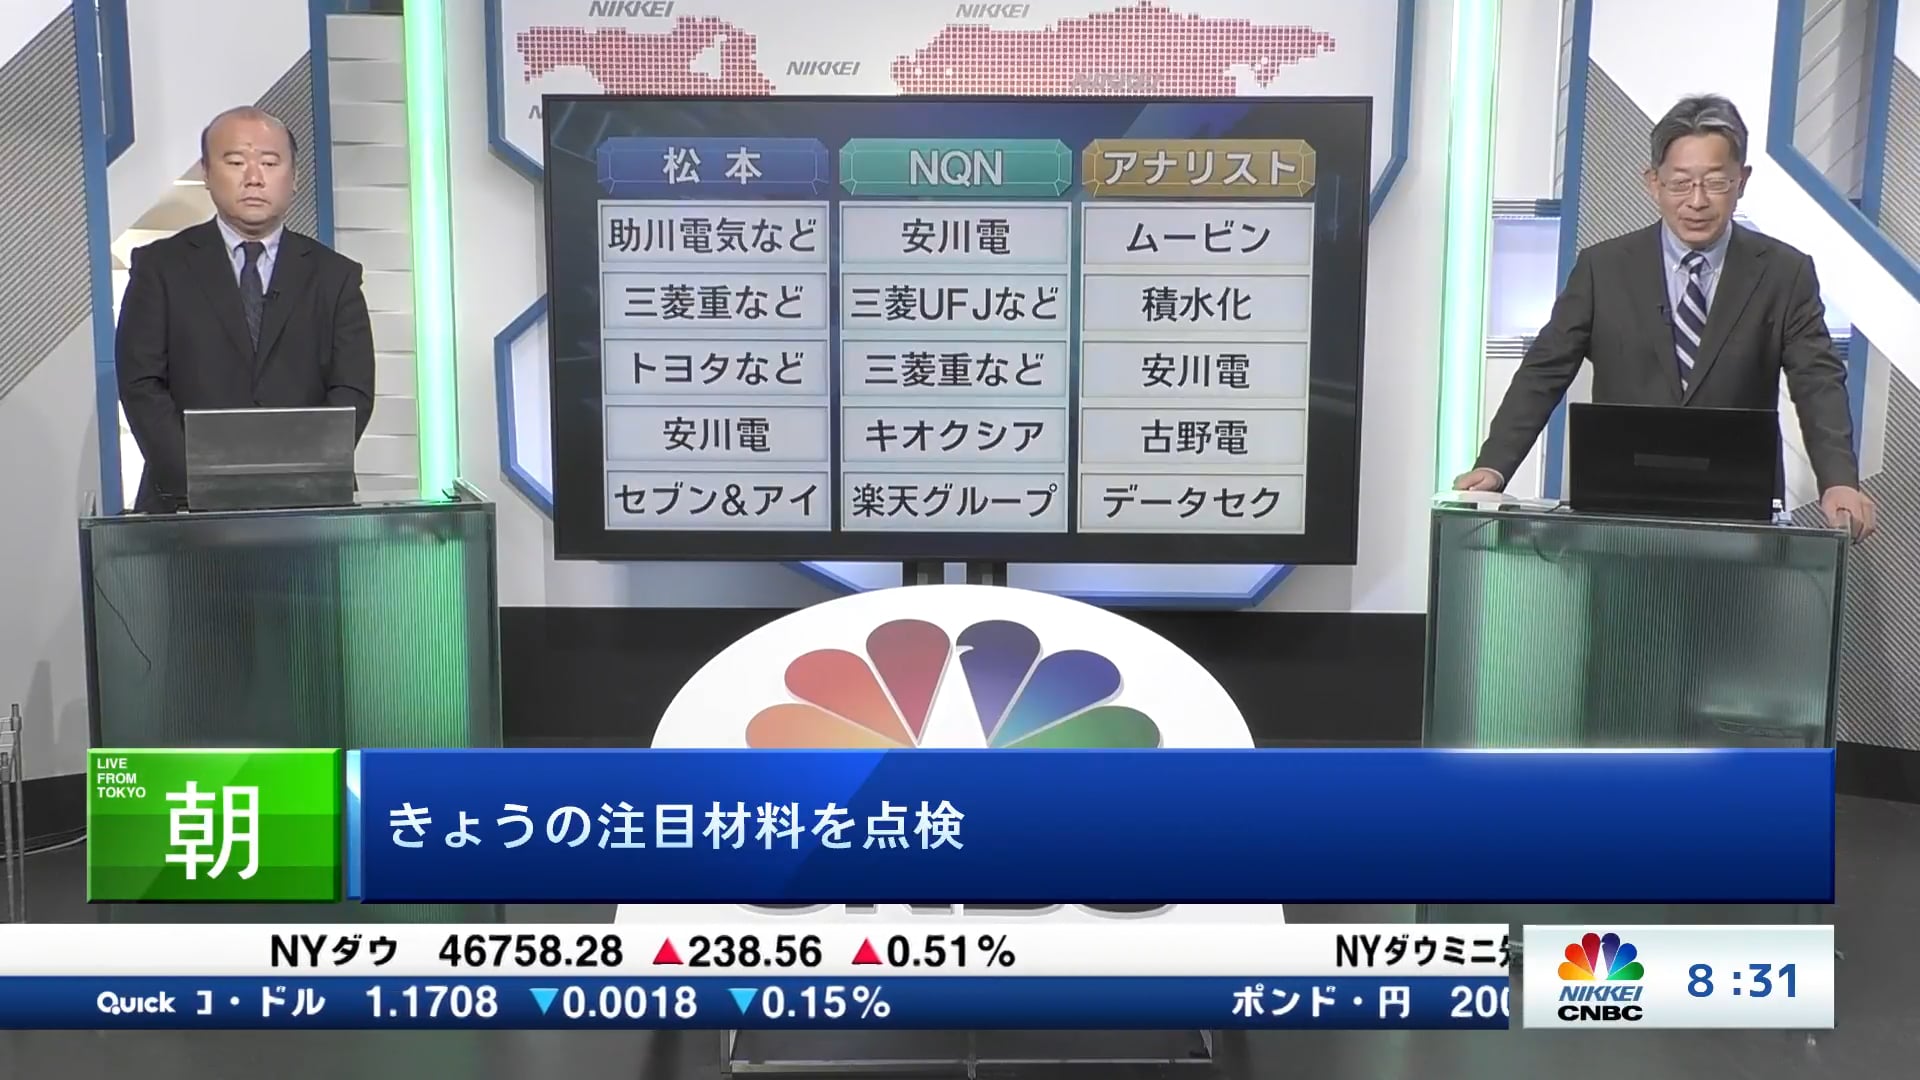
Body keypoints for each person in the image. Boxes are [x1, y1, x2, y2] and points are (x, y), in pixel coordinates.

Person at [1454, 94, 1877, 541]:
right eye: (1680, 183)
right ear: (1653, 183)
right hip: (1620, 512)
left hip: (1739, 515)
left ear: (1742, 181)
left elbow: (1817, 382)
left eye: (1716, 182)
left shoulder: (1784, 273)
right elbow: (1544, 371)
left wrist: (1839, 481)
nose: (1697, 201)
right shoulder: (1603, 269)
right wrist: (1494, 465)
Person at [116, 105, 374, 514]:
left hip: (307, 508)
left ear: (294, 177)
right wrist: (198, 483)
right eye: (235, 162)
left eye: (269, 163)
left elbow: (353, 391)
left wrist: (297, 476)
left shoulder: (336, 276)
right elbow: (141, 385)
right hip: (182, 510)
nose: (254, 177)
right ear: (206, 172)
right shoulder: (159, 268)